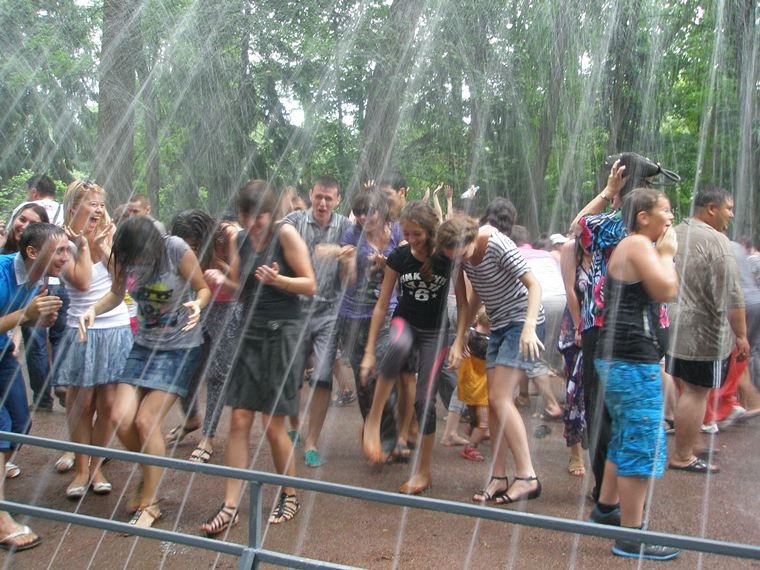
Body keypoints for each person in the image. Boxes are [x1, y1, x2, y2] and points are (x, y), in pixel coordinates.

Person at [200, 180, 316, 536]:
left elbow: (310, 284)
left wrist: (280, 281)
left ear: (271, 213)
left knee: (272, 422)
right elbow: (240, 289)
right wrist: (222, 279)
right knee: (238, 420)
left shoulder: (285, 235)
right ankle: (230, 505)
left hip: (283, 333)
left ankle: (290, 494)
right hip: (249, 332)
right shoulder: (239, 239)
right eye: (247, 217)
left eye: (259, 217)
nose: (253, 224)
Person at [79, 216, 210, 528]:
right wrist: (92, 310)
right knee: (119, 417)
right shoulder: (123, 254)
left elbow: (202, 288)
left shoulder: (175, 249)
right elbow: (116, 293)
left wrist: (198, 305)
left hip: (179, 346)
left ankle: (150, 503)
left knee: (146, 421)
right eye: (133, 259)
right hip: (143, 346)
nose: (138, 264)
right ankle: (150, 470)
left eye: (143, 257)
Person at [571, 152, 679, 502]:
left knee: (603, 410)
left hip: (604, 327)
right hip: (648, 330)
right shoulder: (659, 228)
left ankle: (606, 494)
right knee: (633, 415)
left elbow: (577, 227)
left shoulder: (609, 224)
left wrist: (606, 192)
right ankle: (620, 502)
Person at [360, 202, 473, 495]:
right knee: (398, 345)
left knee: (425, 401)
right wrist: (370, 351)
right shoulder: (399, 257)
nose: (410, 240)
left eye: (416, 234)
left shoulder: (446, 258)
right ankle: (373, 420)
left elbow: (463, 304)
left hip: (435, 332)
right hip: (405, 323)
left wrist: (459, 341)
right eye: (406, 233)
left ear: (430, 230)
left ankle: (423, 472)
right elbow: (382, 305)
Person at [591, 187, 680, 560]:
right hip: (631, 360)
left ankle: (606, 508)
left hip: (619, 357)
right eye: (666, 211)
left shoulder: (632, 245)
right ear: (644, 217)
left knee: (627, 434)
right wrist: (668, 254)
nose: (671, 218)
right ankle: (631, 535)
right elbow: (666, 289)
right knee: (643, 441)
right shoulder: (640, 244)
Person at [443, 200, 545, 505]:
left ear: (471, 237)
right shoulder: (456, 257)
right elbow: (468, 303)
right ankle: (499, 476)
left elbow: (534, 285)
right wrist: (460, 338)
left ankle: (527, 476)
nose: (460, 261)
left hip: (523, 320)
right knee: (494, 402)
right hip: (499, 324)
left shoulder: (496, 243)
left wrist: (529, 327)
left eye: (462, 254)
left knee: (500, 399)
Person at [56, 180, 133, 499]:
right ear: (74, 206)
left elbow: (121, 282)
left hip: (115, 326)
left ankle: (97, 466)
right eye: (92, 203)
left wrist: (104, 247)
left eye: (102, 203)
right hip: (81, 327)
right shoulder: (61, 241)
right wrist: (86, 247)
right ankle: (81, 469)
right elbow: (83, 283)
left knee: (108, 403)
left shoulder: (109, 235)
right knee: (82, 402)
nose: (99, 210)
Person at [666, 187, 748, 474]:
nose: (731, 215)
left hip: (672, 327)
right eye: (728, 208)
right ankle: (683, 455)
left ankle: (689, 442)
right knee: (697, 392)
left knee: (686, 389)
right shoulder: (717, 240)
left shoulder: (673, 233)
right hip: (702, 333)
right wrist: (741, 335)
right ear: (711, 209)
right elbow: (731, 294)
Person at [0, 222, 68, 551]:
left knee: (20, 423)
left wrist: (38, 319)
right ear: (31, 251)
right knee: (1, 430)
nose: (66, 257)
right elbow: (18, 314)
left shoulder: (38, 277)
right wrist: (25, 315)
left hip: (2, 355)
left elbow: (21, 317)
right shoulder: (2, 274)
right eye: (60, 250)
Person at [281, 175, 351, 468]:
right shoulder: (295, 221)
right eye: (318, 197)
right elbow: (273, 234)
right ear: (310, 194)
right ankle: (294, 425)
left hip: (328, 312)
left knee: (322, 377)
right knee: (291, 375)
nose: (322, 203)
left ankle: (311, 441)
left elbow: (356, 255)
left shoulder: (345, 227)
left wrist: (339, 252)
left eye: (328, 198)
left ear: (338, 200)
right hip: (295, 310)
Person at [169, 210, 242, 464]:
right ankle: (191, 418)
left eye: (195, 246)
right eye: (186, 246)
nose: (191, 251)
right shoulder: (178, 246)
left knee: (217, 373)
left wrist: (219, 266)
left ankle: (207, 438)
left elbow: (242, 283)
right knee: (185, 364)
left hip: (228, 307)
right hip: (198, 304)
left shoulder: (228, 237)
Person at [338, 191, 403, 457]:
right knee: (363, 379)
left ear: (382, 210)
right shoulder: (351, 234)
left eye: (369, 211)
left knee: (383, 373)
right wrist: (348, 263)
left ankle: (389, 437)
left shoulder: (396, 232)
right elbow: (348, 281)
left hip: (387, 312)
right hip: (352, 315)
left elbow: (407, 268)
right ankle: (372, 432)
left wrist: (388, 264)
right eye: (359, 212)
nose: (364, 217)